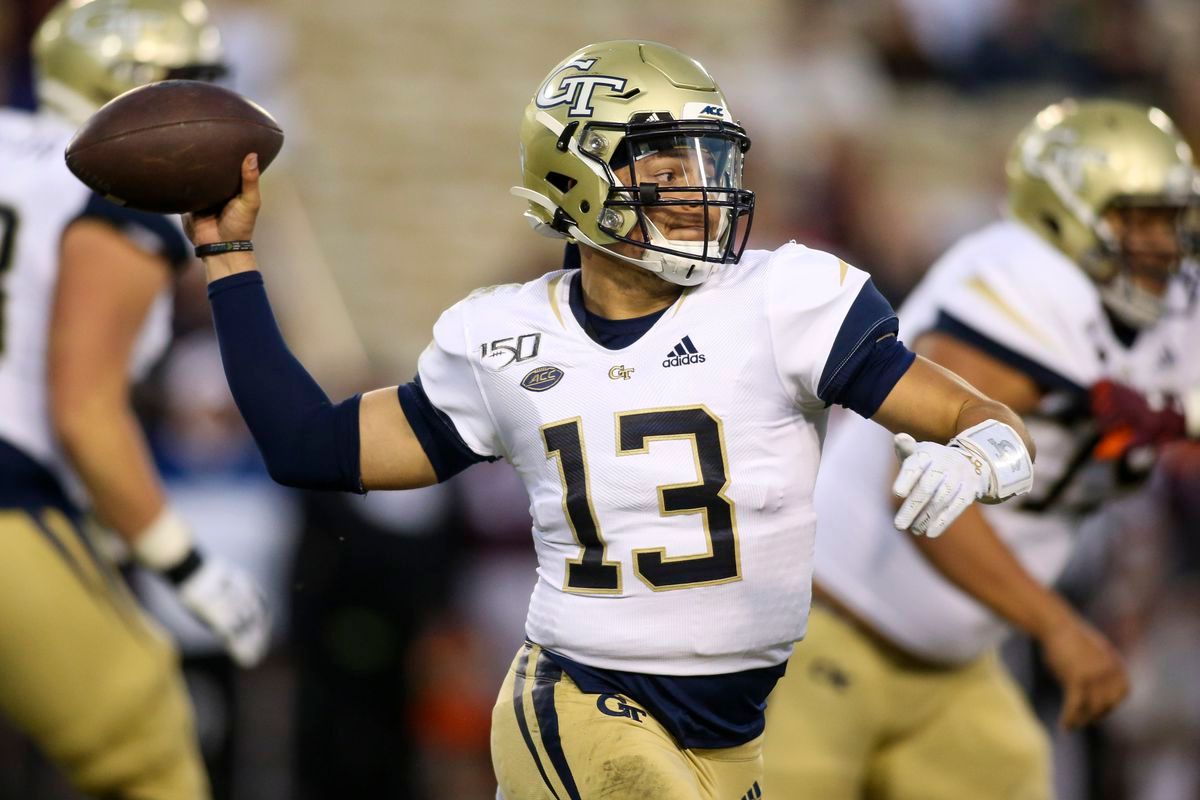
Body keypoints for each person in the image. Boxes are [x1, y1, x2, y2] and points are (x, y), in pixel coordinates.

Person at [189, 40, 1036, 799]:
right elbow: (311, 447)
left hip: (731, 736)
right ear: (577, 180)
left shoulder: (784, 299)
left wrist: (982, 454)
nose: (702, 193)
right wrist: (230, 260)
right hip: (583, 701)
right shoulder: (506, 340)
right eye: (668, 171)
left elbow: (973, 411)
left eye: (711, 163)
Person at [763, 98, 1200, 800]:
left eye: (1169, 219)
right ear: (1065, 210)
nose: (1161, 243)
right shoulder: (1019, 283)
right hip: (826, 629)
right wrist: (1058, 627)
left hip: (956, 659)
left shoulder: (1176, 309)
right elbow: (924, 493)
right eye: (1136, 219)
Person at [0, 1, 270, 797]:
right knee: (146, 738)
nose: (219, 115)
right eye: (197, 88)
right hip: (8, 494)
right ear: (132, 91)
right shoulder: (116, 190)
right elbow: (84, 414)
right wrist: (187, 568)